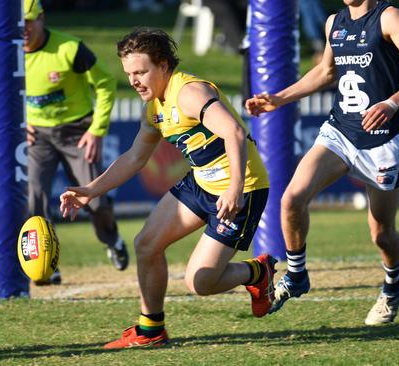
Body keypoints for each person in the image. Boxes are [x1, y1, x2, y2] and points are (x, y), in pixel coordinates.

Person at [60, 28, 275, 349]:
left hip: (242, 188)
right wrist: (90, 189)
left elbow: (233, 131)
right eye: (129, 73)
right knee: (146, 244)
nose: (133, 80)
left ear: (163, 65)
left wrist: (234, 190)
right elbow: (134, 158)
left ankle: (257, 273)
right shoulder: (154, 109)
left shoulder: (189, 93)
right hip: (201, 182)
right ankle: (151, 331)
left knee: (199, 282)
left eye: (140, 71)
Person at [245, 0, 399, 325]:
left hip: (381, 140)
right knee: (291, 199)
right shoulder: (334, 21)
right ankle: (296, 276)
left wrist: (392, 103)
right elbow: (326, 72)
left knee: (381, 234)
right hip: (340, 131)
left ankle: (394, 283)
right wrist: (279, 98)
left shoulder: (390, 17)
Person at [23, 0, 128, 284]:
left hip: (77, 133)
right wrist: (21, 124)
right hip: (37, 136)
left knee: (94, 199)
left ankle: (113, 240)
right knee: (35, 199)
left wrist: (97, 129)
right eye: (18, 23)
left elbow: (106, 82)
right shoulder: (7, 54)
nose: (24, 29)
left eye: (29, 21)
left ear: (42, 18)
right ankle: (43, 266)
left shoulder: (70, 48)